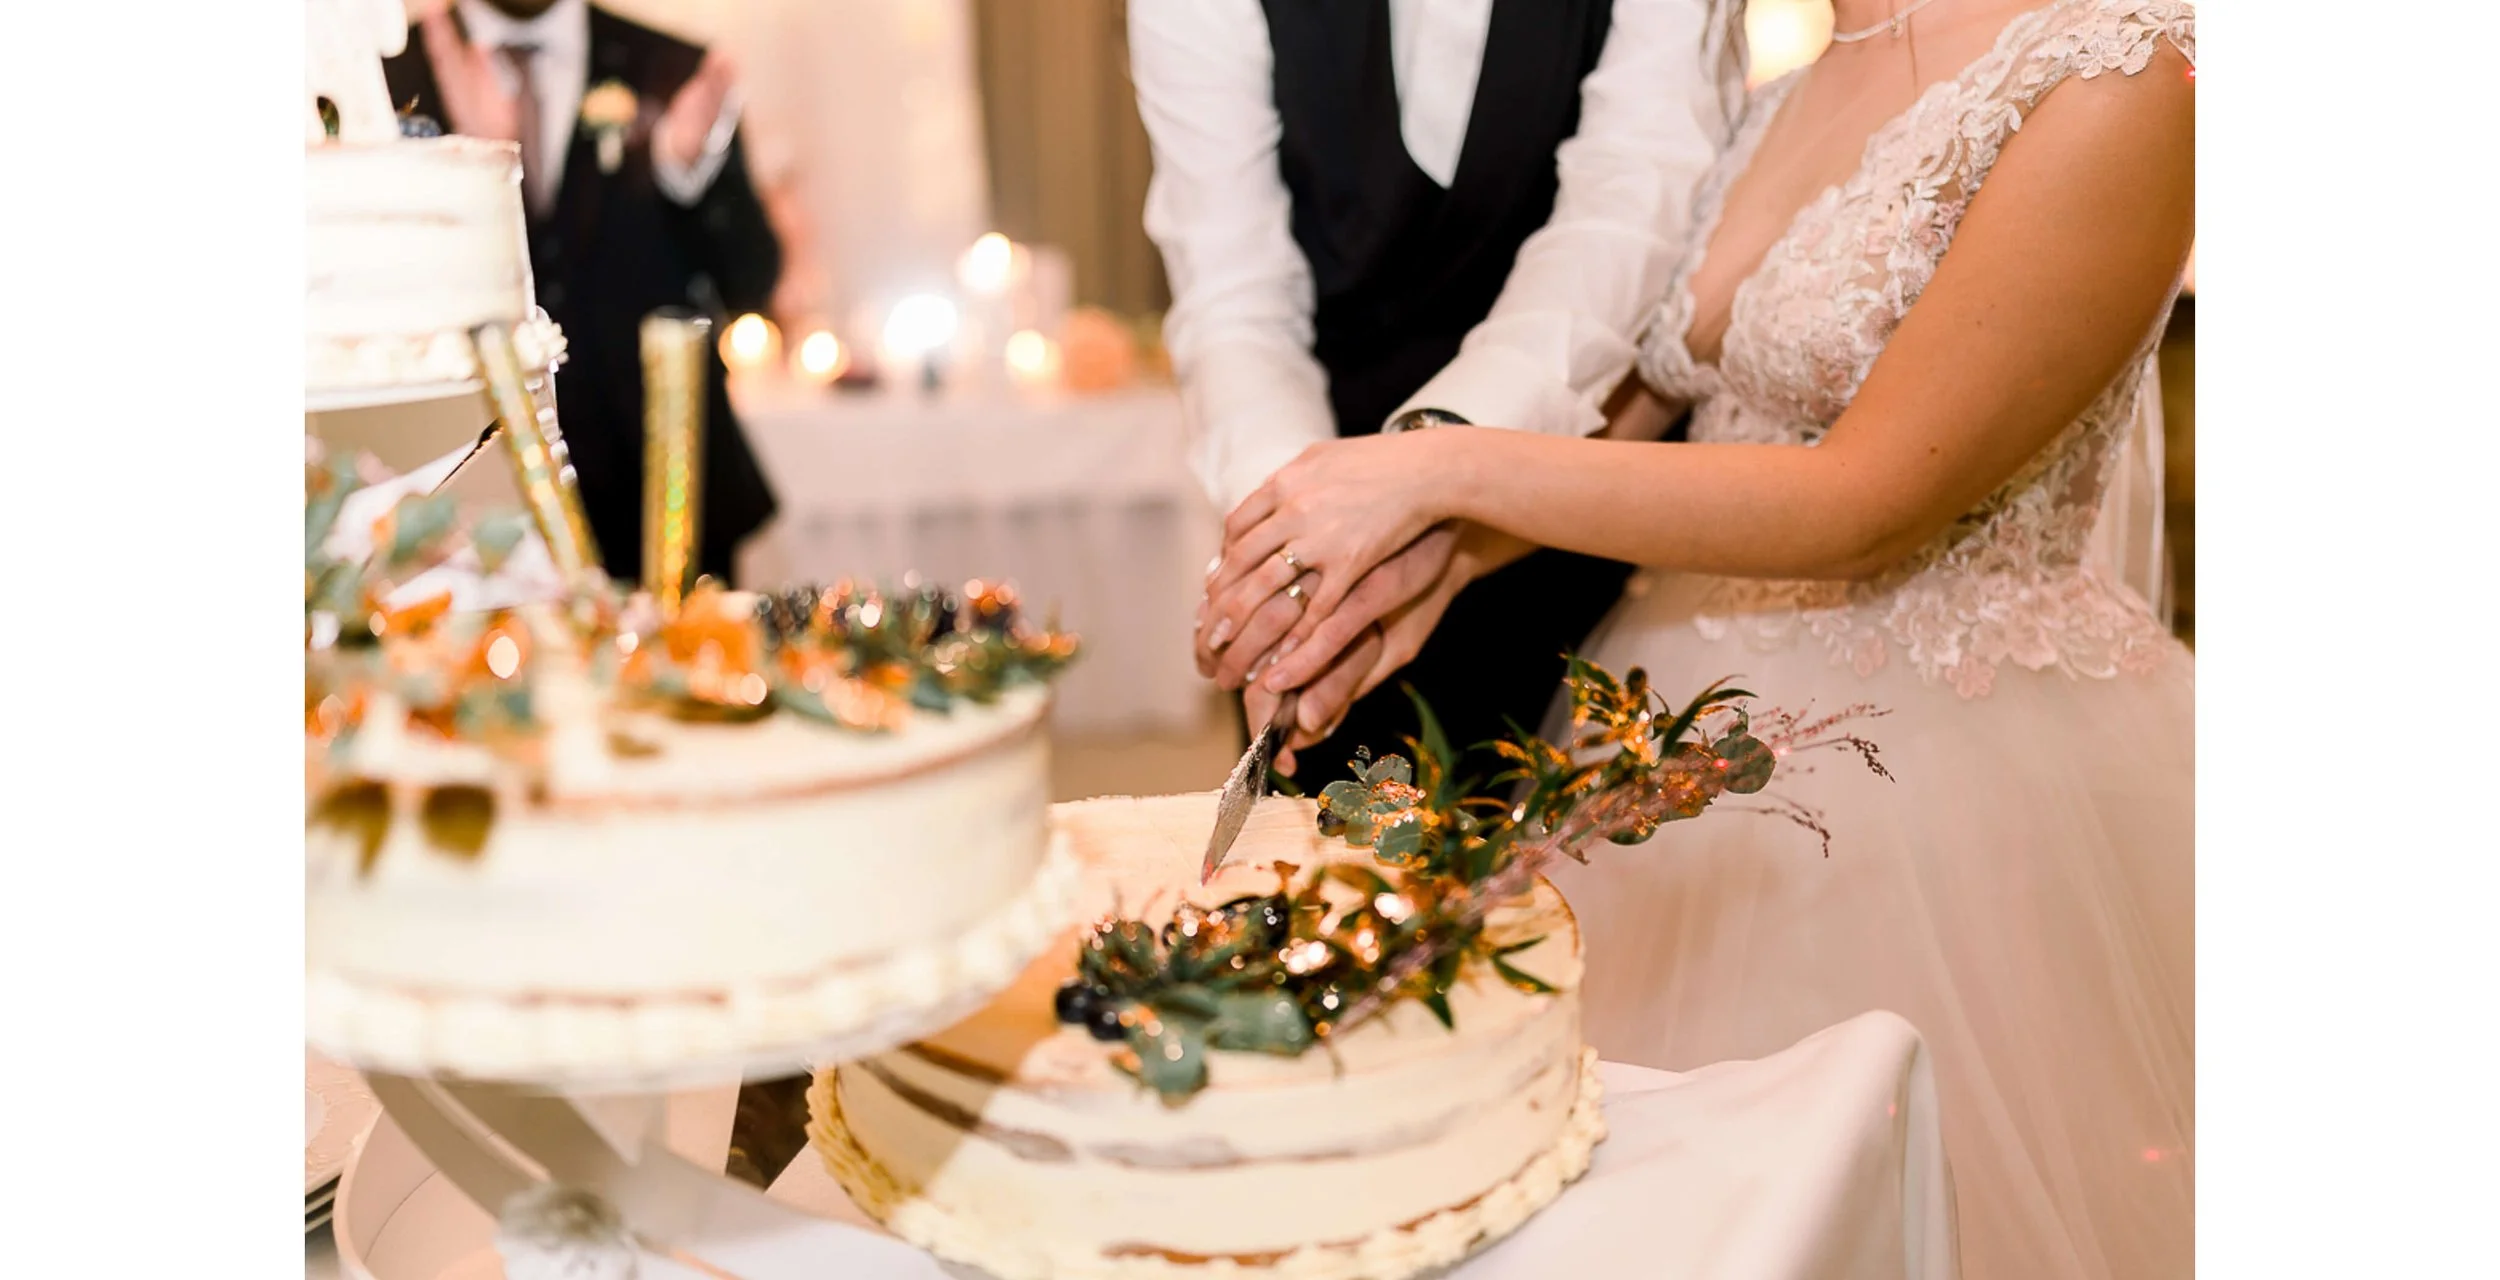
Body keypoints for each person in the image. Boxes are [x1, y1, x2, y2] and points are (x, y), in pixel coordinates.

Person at [1199, 1, 2195, 1274]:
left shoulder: (2114, 75)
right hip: (1679, 747)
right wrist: (1421, 567)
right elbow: (1649, 411)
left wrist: (1440, 477)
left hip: (1938, 777)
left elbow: (1863, 500)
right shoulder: (1773, 93)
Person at [1133, 0, 1746, 782]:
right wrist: (1293, 545)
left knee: (1570, 868)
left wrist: (1430, 460)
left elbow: (1630, 205)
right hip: (1315, 513)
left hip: (1581, 499)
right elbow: (1234, 291)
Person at [386, 0, 782, 585]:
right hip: (468, 504)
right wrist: (475, 177)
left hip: (665, 500)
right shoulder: (393, 75)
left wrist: (685, 176)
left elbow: (752, 282)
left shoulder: (671, 68)